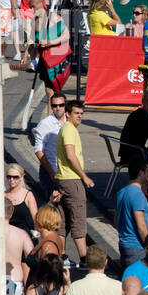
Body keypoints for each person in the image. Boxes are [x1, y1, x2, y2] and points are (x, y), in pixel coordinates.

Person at [55, 100, 94, 258]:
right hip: (72, 179)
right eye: (76, 113)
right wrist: (84, 176)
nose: (79, 116)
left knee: (63, 220)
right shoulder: (70, 130)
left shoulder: (66, 129)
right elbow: (71, 155)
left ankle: (62, 256)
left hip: (62, 178)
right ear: (68, 114)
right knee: (78, 221)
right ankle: (84, 258)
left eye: (81, 114)